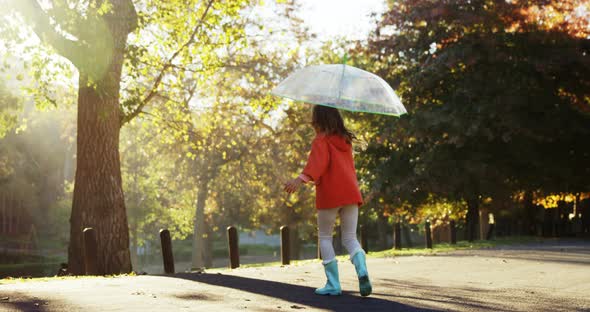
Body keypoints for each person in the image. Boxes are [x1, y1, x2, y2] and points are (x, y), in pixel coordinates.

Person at [284, 105, 372, 297]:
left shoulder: (321, 140)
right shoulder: (345, 139)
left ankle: (333, 284)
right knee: (350, 237)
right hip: (350, 194)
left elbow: (318, 164)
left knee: (325, 237)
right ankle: (362, 270)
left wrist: (299, 179)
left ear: (318, 121)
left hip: (331, 194)